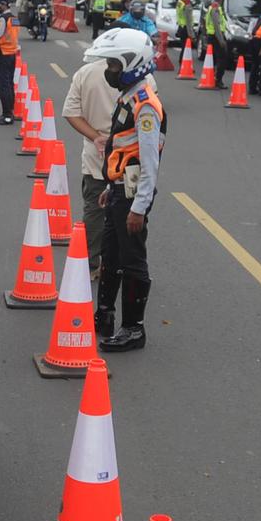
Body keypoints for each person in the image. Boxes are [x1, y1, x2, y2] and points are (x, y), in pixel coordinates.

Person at [82, 28, 166, 352]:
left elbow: (149, 161)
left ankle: (134, 328)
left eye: (115, 65)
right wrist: (111, 187)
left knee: (132, 259)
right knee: (111, 255)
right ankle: (104, 315)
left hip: (133, 195)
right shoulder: (129, 96)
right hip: (120, 189)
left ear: (133, 64)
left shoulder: (145, 105)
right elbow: (121, 148)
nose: (110, 71)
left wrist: (138, 206)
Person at [63, 59, 120, 282]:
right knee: (126, 211)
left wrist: (96, 137)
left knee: (95, 210)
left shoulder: (85, 73)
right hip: (129, 156)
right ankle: (118, 262)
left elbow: (70, 112)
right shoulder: (142, 78)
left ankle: (89, 261)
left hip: (96, 154)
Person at [203, 0, 231, 89]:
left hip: (213, 35)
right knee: (222, 58)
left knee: (216, 59)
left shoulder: (214, 7)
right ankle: (218, 80)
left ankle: (213, 78)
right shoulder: (215, 7)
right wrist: (221, 40)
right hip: (215, 36)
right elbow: (216, 25)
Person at [175, 0, 194, 66]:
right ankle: (184, 64)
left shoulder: (180, 2)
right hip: (186, 28)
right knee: (186, 48)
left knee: (184, 46)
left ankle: (182, 62)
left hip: (181, 26)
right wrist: (191, 34)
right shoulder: (187, 4)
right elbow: (188, 20)